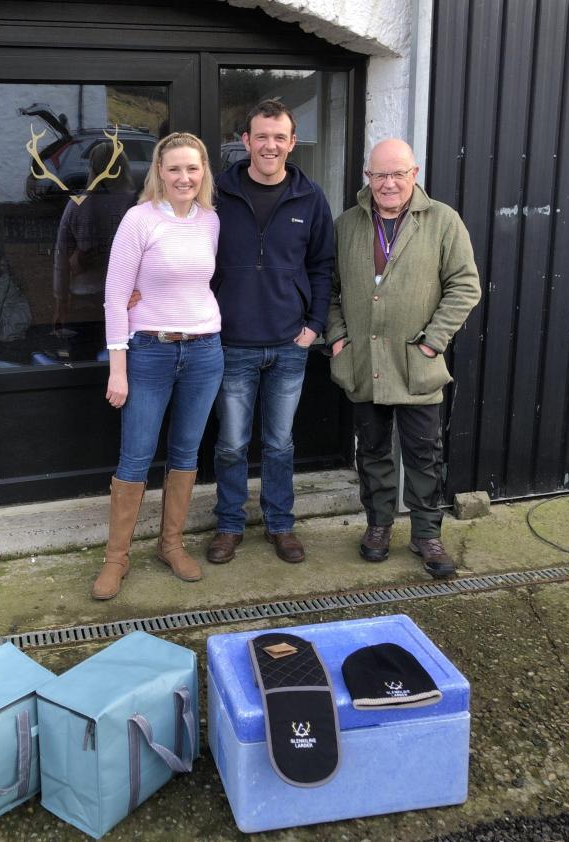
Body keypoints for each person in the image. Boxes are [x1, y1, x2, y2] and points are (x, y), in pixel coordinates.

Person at [327, 138, 481, 579]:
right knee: (372, 452)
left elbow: (465, 285)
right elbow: (330, 290)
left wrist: (434, 341)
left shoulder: (442, 221)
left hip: (418, 364)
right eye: (380, 175)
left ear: (414, 174)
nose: (389, 183)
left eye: (398, 174)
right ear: (367, 177)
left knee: (423, 454)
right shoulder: (348, 224)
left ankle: (426, 533)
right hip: (364, 364)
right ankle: (378, 526)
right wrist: (338, 338)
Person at [92, 132, 223, 600]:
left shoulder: (210, 221)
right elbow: (114, 295)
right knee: (136, 457)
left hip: (205, 351)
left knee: (186, 454)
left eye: (192, 168)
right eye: (174, 169)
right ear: (159, 173)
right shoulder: (138, 220)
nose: (184, 177)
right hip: (149, 351)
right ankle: (116, 558)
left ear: (203, 171)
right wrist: (117, 367)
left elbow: (200, 283)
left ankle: (171, 545)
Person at [206, 99, 334, 565]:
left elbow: (321, 266)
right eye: (261, 136)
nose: (270, 145)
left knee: (280, 444)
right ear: (245, 141)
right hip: (232, 341)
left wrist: (313, 326)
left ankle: (281, 525)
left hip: (288, 343)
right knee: (232, 444)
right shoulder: (216, 194)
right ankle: (229, 525)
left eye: (280, 137)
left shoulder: (310, 197)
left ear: (292, 142)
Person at [52, 142, 135, 331]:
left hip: (83, 298)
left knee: (83, 356)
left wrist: (60, 302)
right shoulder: (135, 204)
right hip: (126, 298)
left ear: (92, 168)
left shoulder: (77, 205)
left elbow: (61, 258)